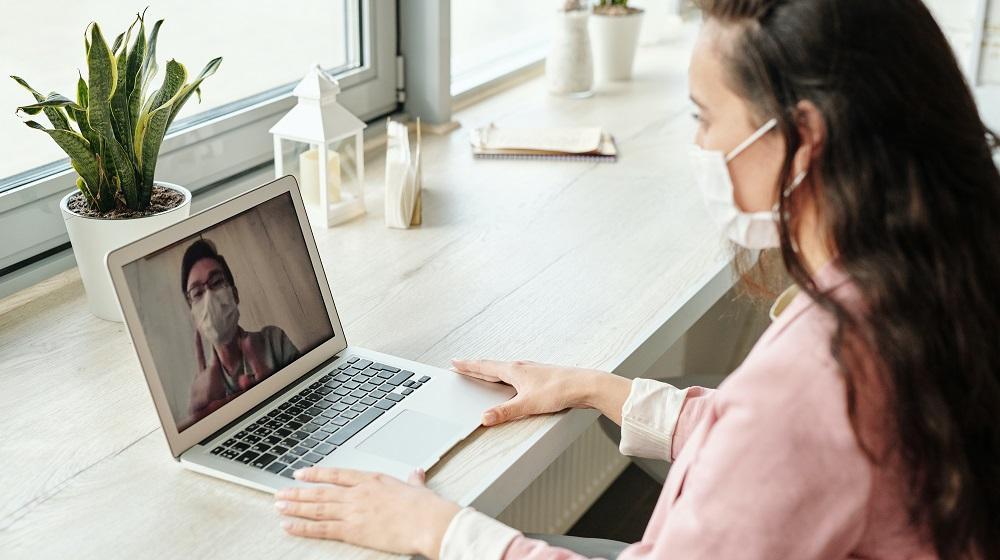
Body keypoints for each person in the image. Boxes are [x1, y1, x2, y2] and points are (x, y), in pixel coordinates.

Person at [269, 0, 1000, 558]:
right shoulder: (934, 279)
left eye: (706, 118)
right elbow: (786, 457)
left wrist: (441, 530)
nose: (699, 145)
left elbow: (786, 432)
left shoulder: (819, 376)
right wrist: (601, 389)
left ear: (803, 140)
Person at [182, 239, 300, 425]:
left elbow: (310, 397)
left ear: (235, 295)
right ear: (194, 316)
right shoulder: (202, 391)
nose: (209, 297)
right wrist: (198, 422)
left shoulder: (274, 341)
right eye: (197, 293)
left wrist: (275, 392)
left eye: (217, 282)